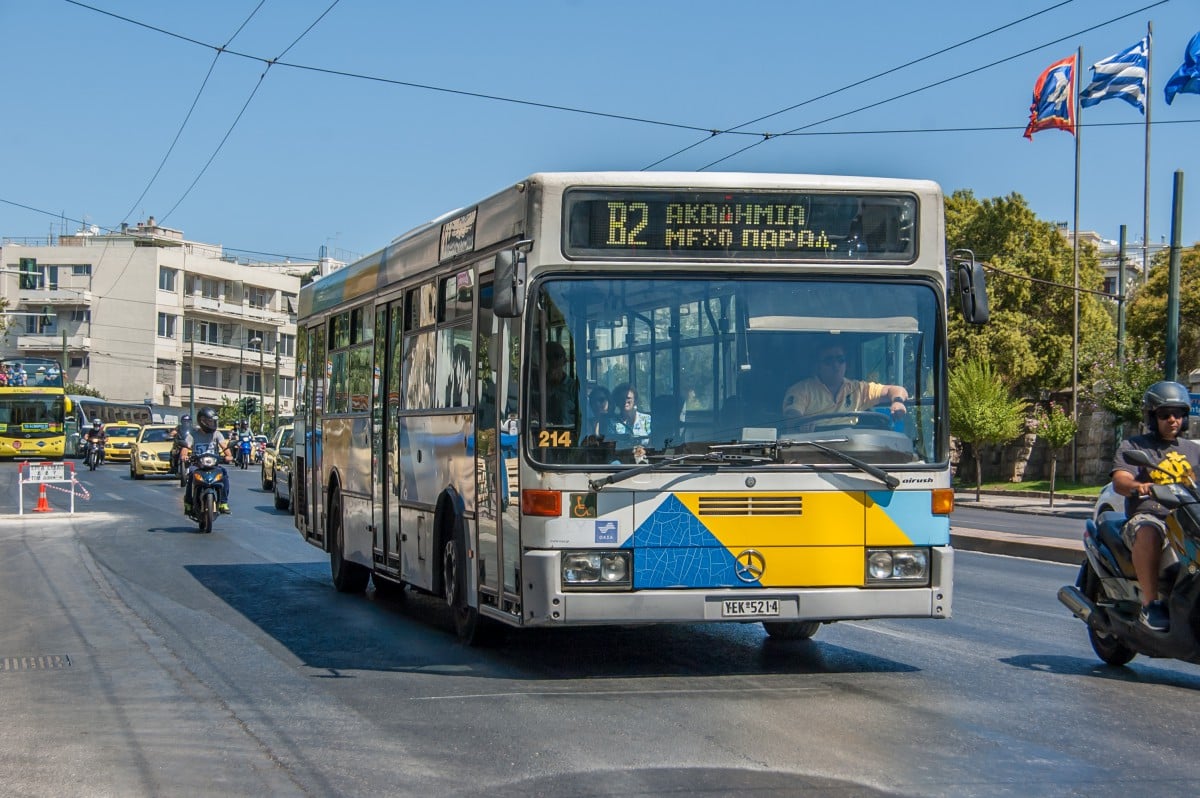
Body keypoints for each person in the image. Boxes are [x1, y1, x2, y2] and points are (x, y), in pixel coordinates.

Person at [1111, 381, 1200, 633]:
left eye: (1179, 414)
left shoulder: (1194, 450)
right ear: (1152, 416)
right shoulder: (1135, 446)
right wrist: (1137, 486)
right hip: (1150, 515)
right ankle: (1151, 604)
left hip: (1188, 517)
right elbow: (1121, 478)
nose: (1173, 419)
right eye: (1164, 414)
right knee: (1149, 531)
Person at [781, 337, 909, 421]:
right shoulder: (801, 390)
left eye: (840, 360)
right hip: (813, 453)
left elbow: (896, 389)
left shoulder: (858, 389)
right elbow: (792, 416)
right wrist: (800, 423)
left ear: (846, 364)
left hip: (851, 455)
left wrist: (897, 401)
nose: (836, 366)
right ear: (817, 366)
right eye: (828, 360)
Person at [181, 407, 233, 516]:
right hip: (198, 466)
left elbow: (224, 446)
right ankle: (189, 503)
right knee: (191, 474)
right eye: (210, 421)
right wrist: (184, 455)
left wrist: (229, 456)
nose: (213, 424)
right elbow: (186, 447)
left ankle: (223, 502)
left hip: (213, 466)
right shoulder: (193, 434)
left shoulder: (216, 434)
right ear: (202, 421)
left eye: (214, 421)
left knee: (223, 473)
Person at [611, 382, 651, 463]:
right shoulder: (612, 423)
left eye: (628, 398)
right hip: (621, 465)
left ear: (635, 400)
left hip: (645, 464)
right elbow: (611, 448)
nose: (625, 401)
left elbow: (653, 443)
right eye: (621, 398)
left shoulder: (647, 419)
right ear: (617, 402)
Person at [543, 341, 578, 425]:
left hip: (567, 435)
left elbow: (584, 418)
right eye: (550, 368)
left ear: (564, 363)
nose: (553, 373)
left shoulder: (574, 388)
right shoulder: (537, 386)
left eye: (556, 368)